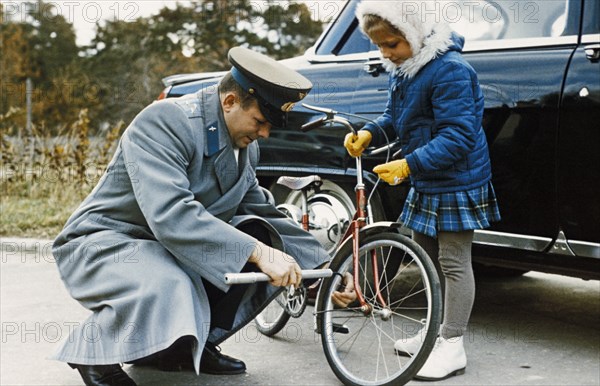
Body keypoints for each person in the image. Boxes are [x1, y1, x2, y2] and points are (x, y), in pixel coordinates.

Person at [51, 46, 336, 386]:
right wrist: (259, 254)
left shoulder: (245, 145)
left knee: (260, 235)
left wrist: (323, 270)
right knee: (176, 278)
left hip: (165, 247)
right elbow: (172, 214)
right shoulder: (164, 122)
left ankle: (179, 349)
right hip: (106, 243)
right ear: (229, 102)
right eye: (260, 121)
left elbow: (261, 210)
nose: (264, 134)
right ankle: (95, 352)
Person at [345, 1, 501, 381]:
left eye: (392, 44)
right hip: (428, 178)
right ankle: (433, 331)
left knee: (452, 261)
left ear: (415, 35)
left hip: (457, 180)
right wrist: (370, 133)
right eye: (379, 46)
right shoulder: (405, 69)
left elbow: (459, 135)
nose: (386, 53)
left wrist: (408, 164)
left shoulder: (450, 71)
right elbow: (396, 117)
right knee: (425, 256)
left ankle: (452, 344)